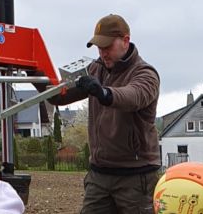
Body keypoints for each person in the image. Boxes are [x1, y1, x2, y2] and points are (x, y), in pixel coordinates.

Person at [48, 14, 161, 214]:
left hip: (136, 177)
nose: (103, 53)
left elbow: (133, 96)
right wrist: (36, 74)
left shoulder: (145, 74)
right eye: (99, 48)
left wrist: (104, 92)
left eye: (107, 47)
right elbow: (59, 96)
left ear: (125, 40)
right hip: (99, 175)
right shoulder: (95, 69)